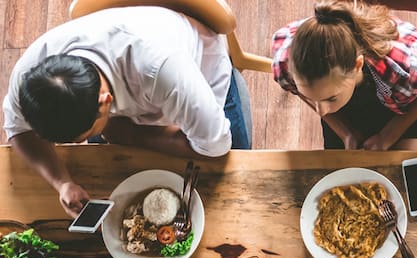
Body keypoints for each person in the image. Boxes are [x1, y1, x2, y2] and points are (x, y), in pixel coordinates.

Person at [2, 6, 251, 218]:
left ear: (105, 103)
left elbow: (215, 146)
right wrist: (62, 182)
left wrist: (131, 135)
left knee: (236, 180)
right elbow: (17, 130)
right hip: (129, 112)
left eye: (82, 137)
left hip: (201, 69)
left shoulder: (161, 68)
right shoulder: (32, 77)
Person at [271, 1, 417, 152]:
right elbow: (302, 91)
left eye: (330, 98)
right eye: (314, 98)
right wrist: (344, 131)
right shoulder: (286, 61)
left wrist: (388, 135)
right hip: (352, 108)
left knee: (404, 170)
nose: (321, 112)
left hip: (407, 101)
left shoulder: (407, 68)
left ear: (358, 65)